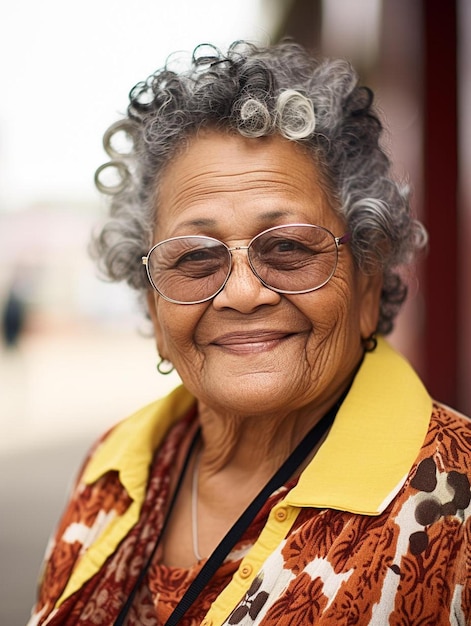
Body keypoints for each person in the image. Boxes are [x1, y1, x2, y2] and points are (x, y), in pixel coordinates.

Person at [28, 40, 470, 626]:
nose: (241, 293)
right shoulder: (114, 466)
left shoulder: (458, 509)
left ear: (367, 284)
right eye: (195, 260)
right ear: (154, 309)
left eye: (288, 248)